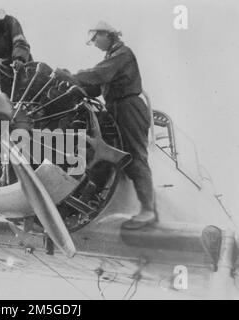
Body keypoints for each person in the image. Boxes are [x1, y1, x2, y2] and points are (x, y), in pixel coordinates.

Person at [55, 21, 155, 229]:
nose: (94, 43)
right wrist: (72, 85)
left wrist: (73, 76)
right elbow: (95, 89)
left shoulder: (122, 54)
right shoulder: (111, 58)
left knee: (136, 157)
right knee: (106, 156)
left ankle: (148, 210)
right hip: (115, 108)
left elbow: (100, 75)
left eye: (95, 39)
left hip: (129, 108)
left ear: (107, 35)